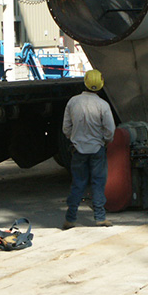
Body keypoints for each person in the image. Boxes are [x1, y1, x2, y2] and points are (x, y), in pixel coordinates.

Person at [62, 70, 115, 229]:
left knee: (78, 183)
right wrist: (105, 141)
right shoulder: (103, 105)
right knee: (98, 183)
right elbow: (110, 130)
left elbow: (66, 128)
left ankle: (70, 218)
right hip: (97, 149)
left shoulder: (73, 102)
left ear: (84, 82)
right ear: (100, 85)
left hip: (78, 149)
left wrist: (75, 138)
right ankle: (100, 217)